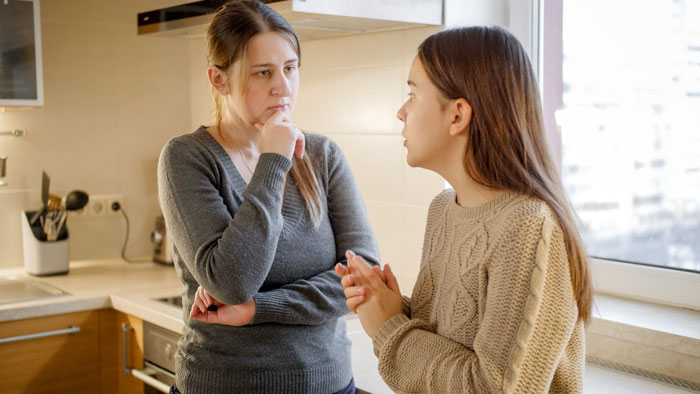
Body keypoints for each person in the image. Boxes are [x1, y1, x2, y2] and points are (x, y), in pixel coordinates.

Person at [336, 26, 592, 393]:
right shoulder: (443, 209)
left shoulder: (530, 229)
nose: (400, 111)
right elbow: (448, 337)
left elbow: (494, 387)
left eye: (413, 93)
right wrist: (392, 306)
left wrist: (390, 326)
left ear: (457, 116)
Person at [157, 1, 379, 393]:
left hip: (329, 383)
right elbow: (232, 281)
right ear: (217, 79)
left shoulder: (323, 156)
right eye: (263, 72)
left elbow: (363, 279)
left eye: (290, 68)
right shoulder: (187, 157)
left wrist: (258, 309)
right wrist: (273, 159)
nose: (283, 87)